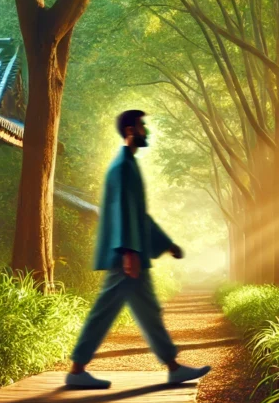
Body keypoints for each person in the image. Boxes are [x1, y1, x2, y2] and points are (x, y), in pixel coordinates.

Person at [66, 109, 211, 388]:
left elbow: (139, 215)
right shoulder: (122, 167)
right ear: (131, 131)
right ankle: (76, 371)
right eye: (142, 127)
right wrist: (129, 251)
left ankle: (172, 366)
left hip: (131, 255)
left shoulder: (128, 165)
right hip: (127, 258)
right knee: (105, 312)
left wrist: (165, 243)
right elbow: (122, 212)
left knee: (147, 312)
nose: (147, 131)